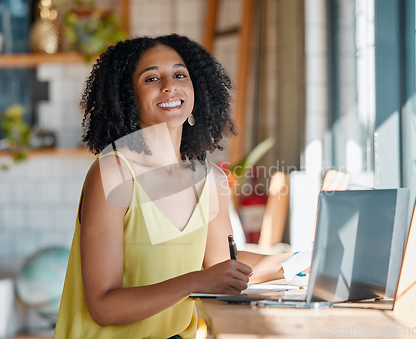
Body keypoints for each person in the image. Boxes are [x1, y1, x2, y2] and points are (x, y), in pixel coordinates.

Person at [53, 34, 295, 339]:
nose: (169, 85)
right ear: (128, 96)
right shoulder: (113, 173)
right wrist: (195, 281)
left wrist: (297, 262)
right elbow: (104, 307)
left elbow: (222, 266)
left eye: (180, 74)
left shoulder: (211, 179)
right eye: (151, 78)